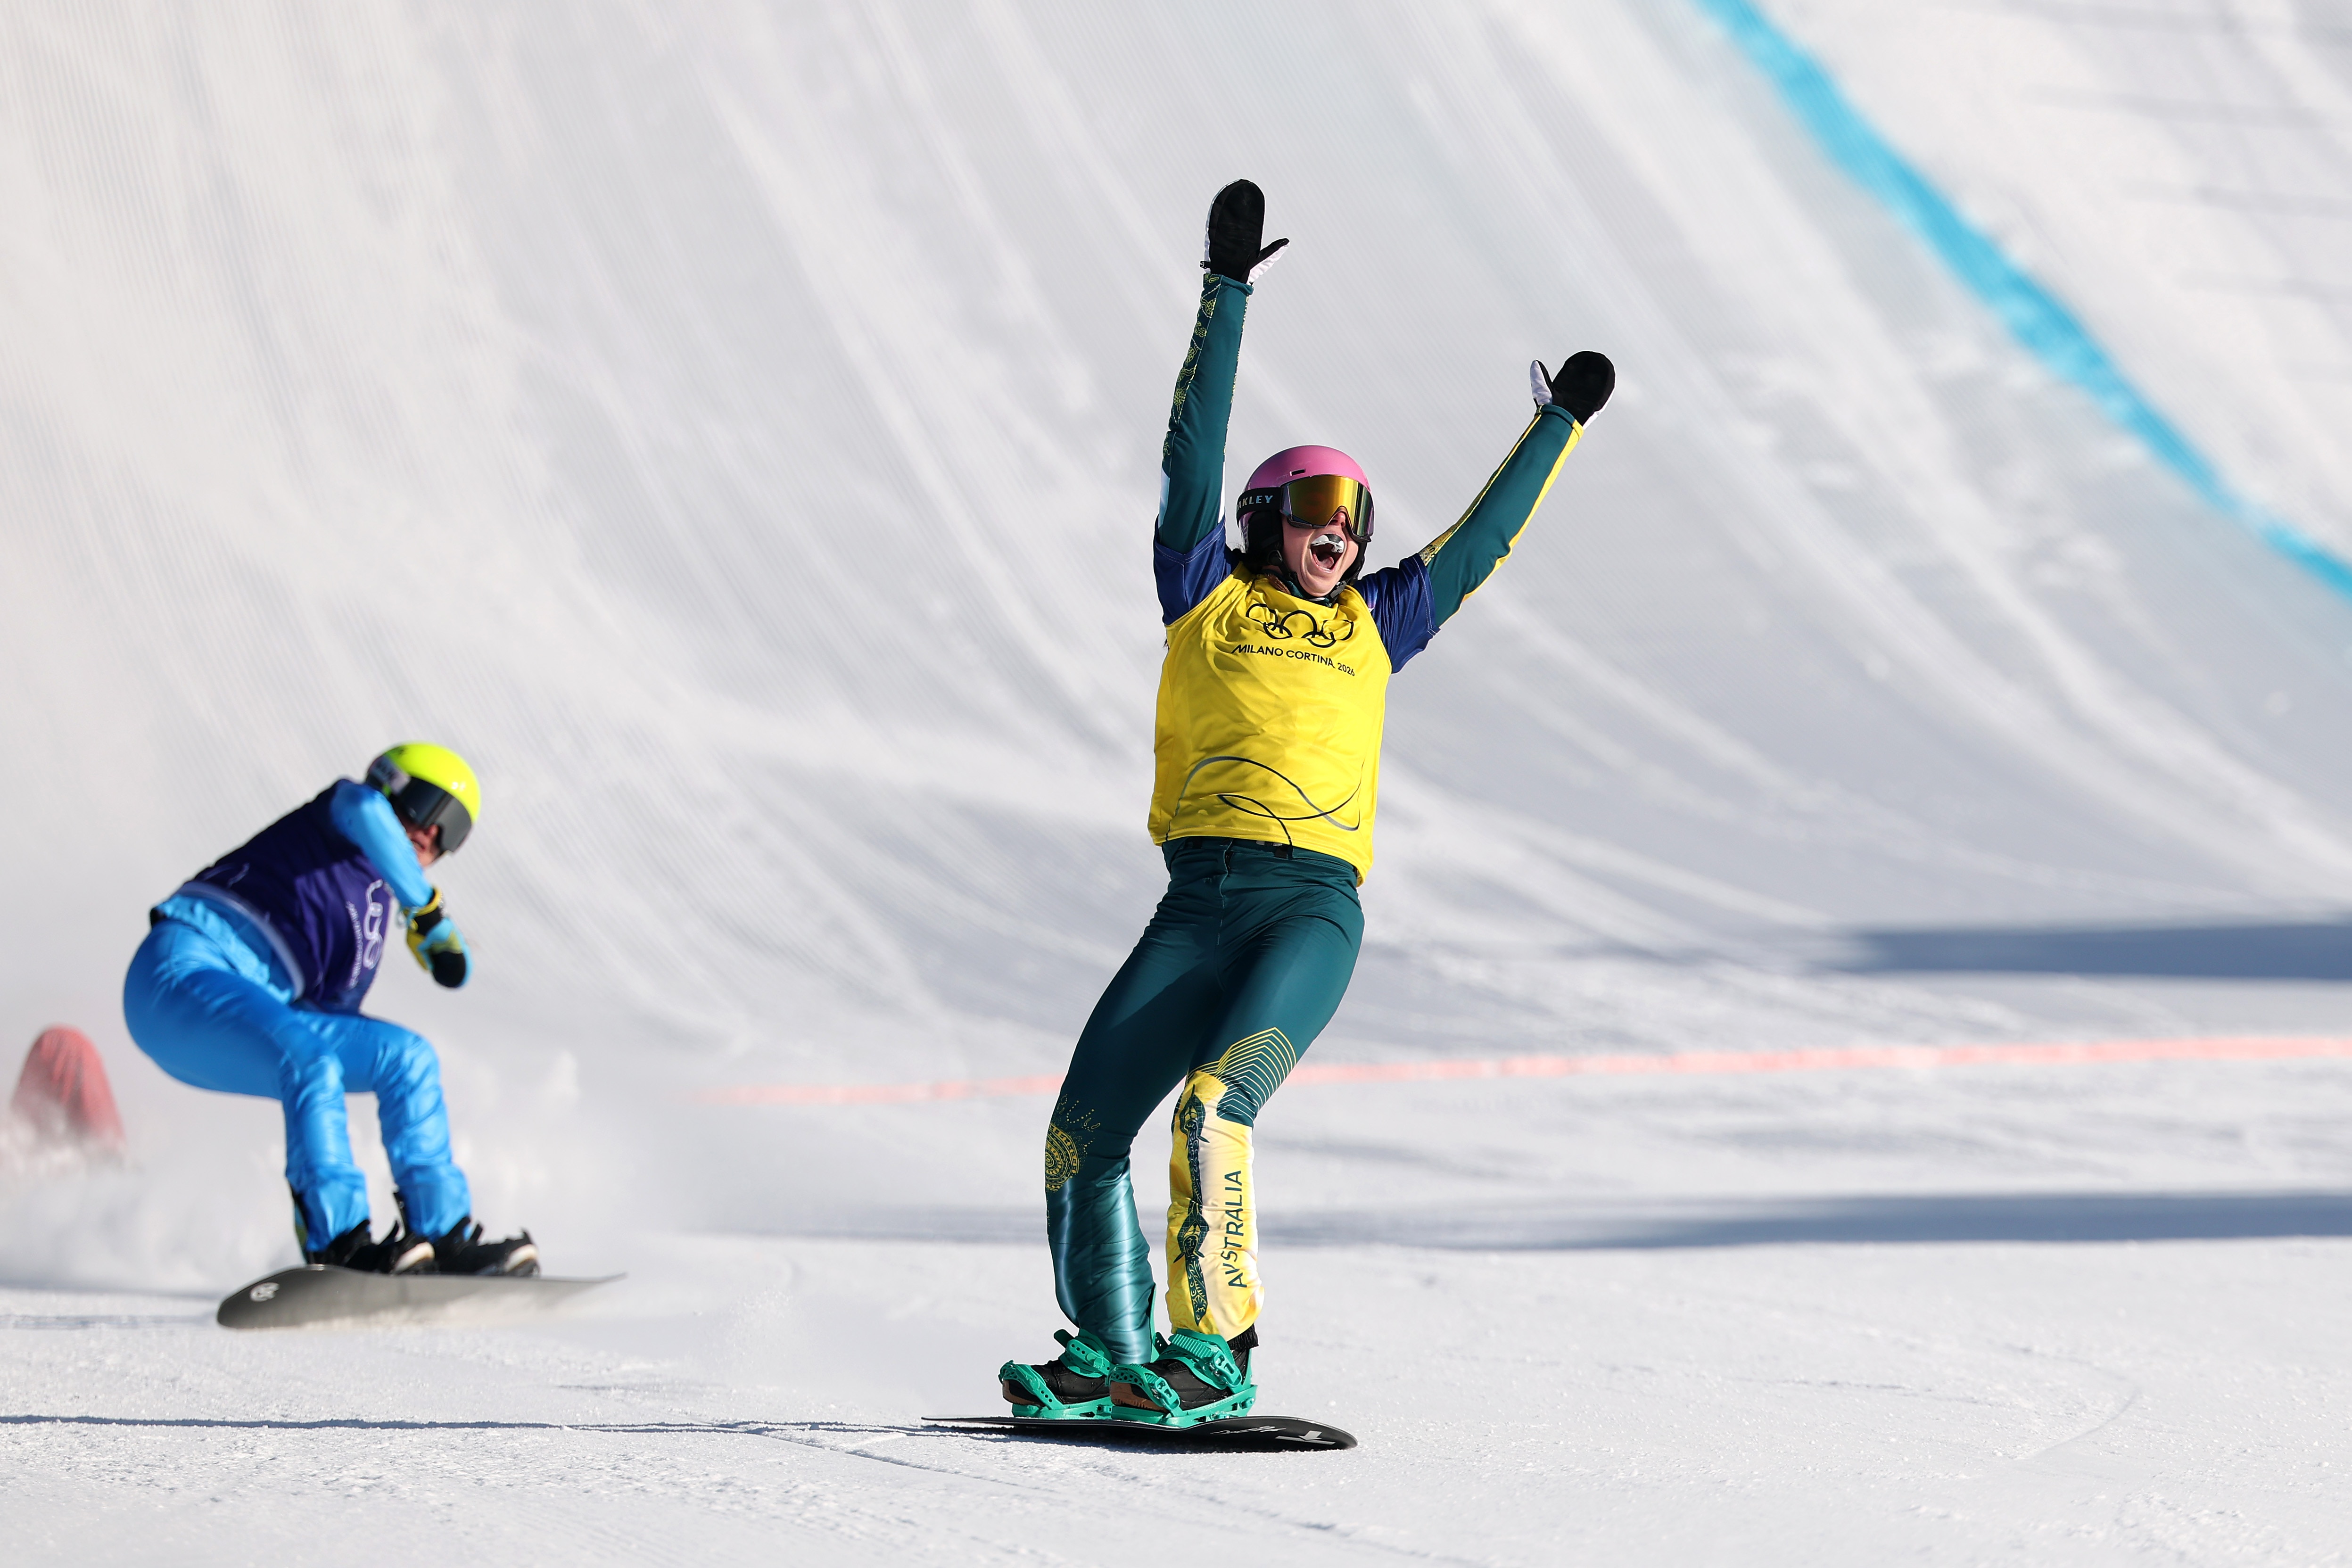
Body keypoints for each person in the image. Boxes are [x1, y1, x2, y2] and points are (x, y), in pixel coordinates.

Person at [999, 181, 1615, 1423]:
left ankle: (1211, 1347)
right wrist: (1223, 294)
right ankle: (1110, 1352)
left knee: (1214, 1104)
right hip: (1196, 900)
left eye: (1354, 514)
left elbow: (1478, 541)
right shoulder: (1202, 591)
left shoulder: (1379, 625)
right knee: (1080, 1134)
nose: (1338, 531)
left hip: (1305, 909)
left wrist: (1555, 424)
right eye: (1315, 508)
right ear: (1268, 519)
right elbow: (1189, 455)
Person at [121, 743, 536, 1275]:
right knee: (310, 1056)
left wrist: (416, 922)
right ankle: (337, 1241)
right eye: (428, 808)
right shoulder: (343, 814)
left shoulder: (371, 920)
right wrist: (427, 911)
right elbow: (367, 812)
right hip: (181, 972)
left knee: (406, 1058)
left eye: (451, 831)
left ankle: (444, 1236)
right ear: (393, 785)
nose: (431, 833)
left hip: (244, 1013)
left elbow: (331, 1022)